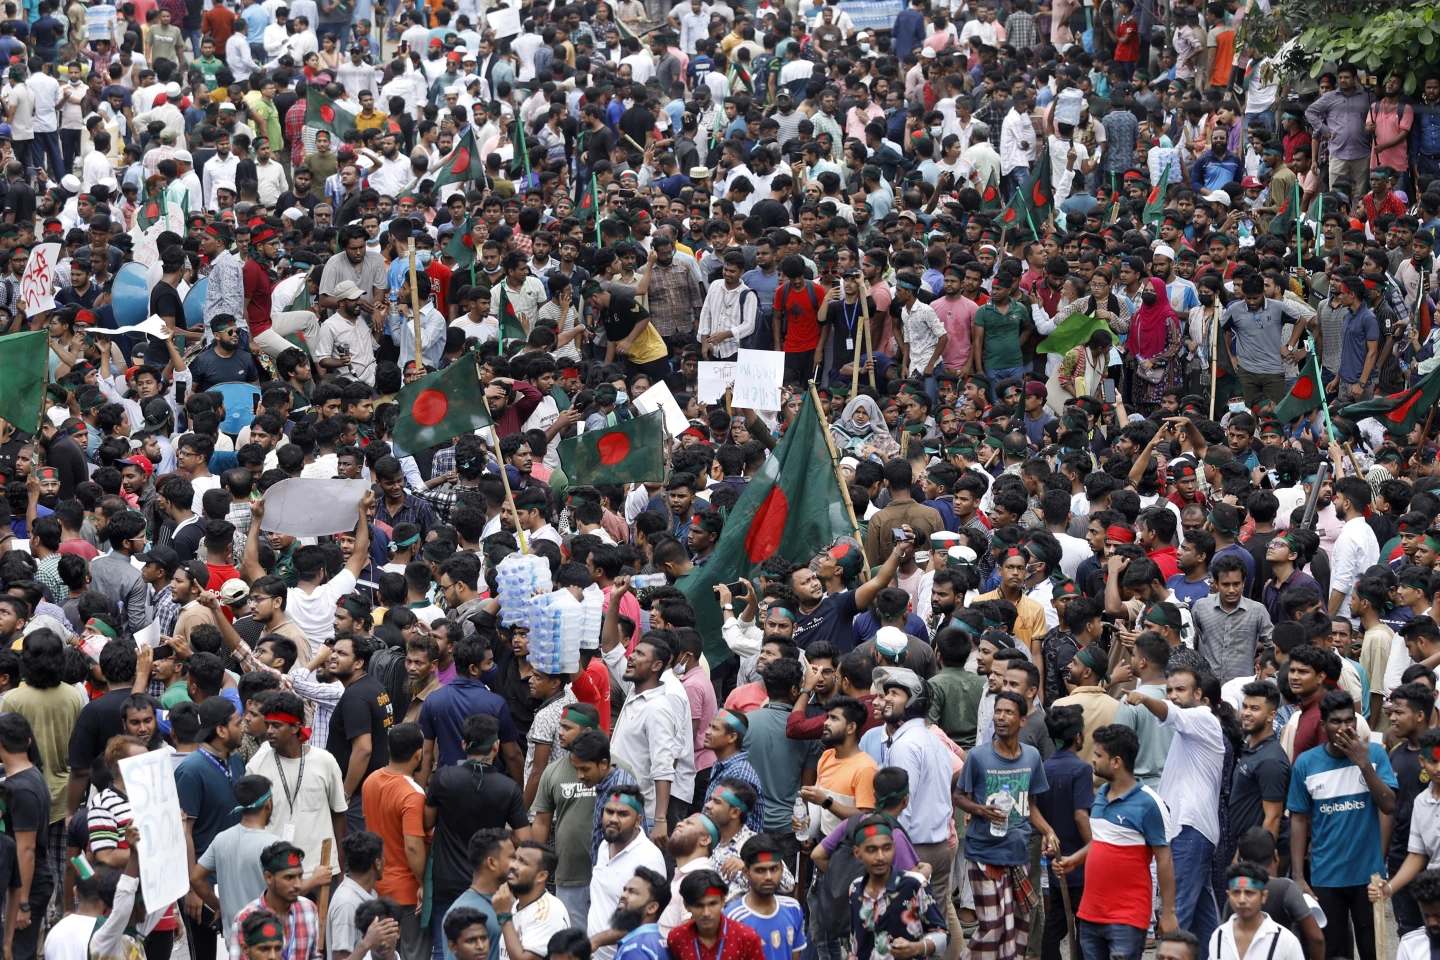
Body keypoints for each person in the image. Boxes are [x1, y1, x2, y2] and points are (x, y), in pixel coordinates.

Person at [1287, 690, 1397, 960]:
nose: (1344, 727)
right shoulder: (1306, 763)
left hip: (1368, 878)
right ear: (1323, 726)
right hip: (1326, 876)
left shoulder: (1375, 755)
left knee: (1374, 950)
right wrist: (1299, 877)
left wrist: (1363, 764)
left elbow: (1389, 805)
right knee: (1334, 952)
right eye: (1336, 721)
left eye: (1349, 720)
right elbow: (1299, 820)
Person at [955, 690, 1059, 960]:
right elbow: (958, 796)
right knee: (992, 925)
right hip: (984, 854)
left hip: (1019, 853)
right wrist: (980, 810)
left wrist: (1048, 831)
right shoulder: (977, 757)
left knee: (1020, 924)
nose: (1001, 717)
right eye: (998, 711)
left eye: (1009, 712)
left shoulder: (1032, 757)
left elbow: (1030, 803)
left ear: (1022, 720)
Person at [1209, 861, 1307, 960]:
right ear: (1229, 895)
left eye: (1249, 893)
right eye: (1236, 893)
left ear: (1263, 896)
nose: (1242, 900)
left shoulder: (1285, 941)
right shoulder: (1219, 936)